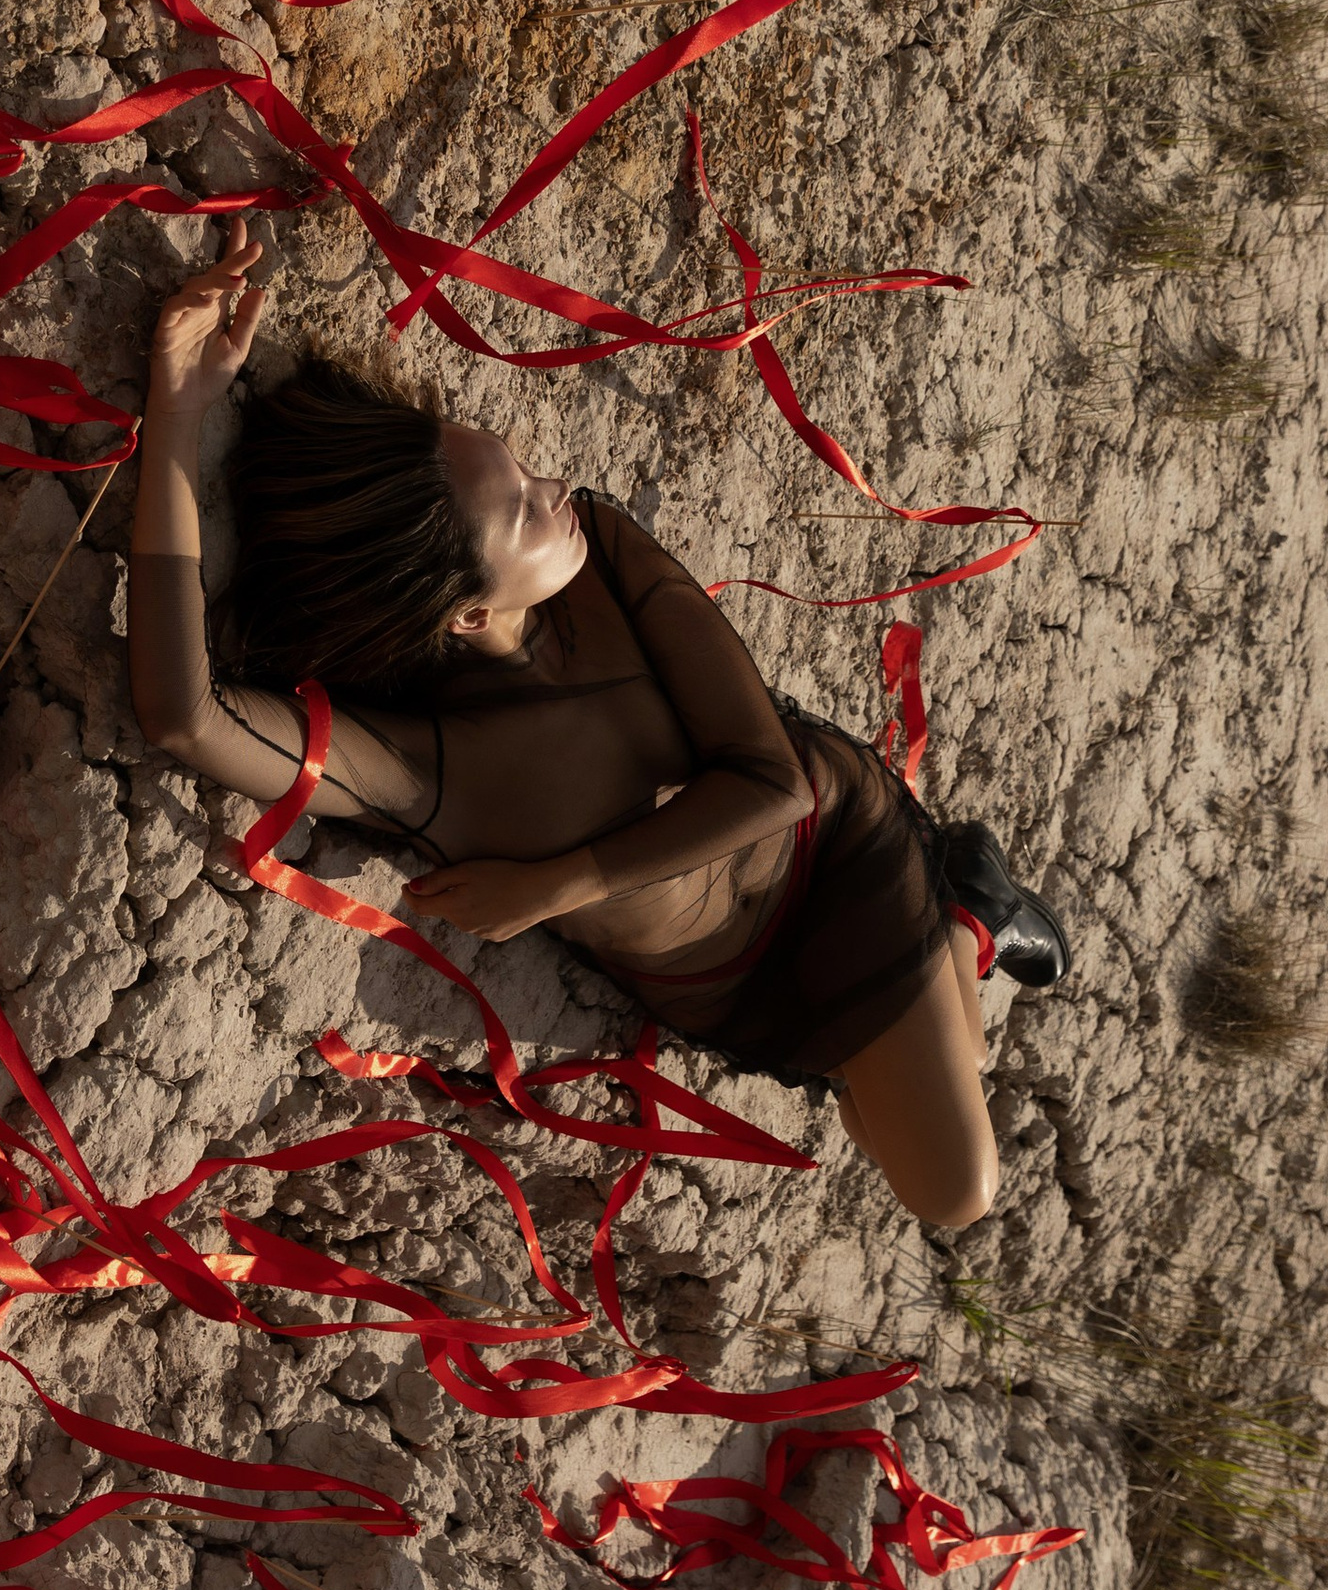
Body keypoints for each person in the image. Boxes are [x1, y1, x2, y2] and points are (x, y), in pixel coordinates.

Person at [125, 222, 1069, 1233]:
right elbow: (189, 716)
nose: (556, 492)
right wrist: (175, 410)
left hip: (837, 838)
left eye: (525, 469)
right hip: (731, 982)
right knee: (949, 1068)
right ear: (468, 612)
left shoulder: (604, 548)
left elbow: (771, 784)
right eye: (526, 511)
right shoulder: (429, 767)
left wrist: (552, 884)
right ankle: (967, 911)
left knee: (954, 1195)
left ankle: (958, 907)